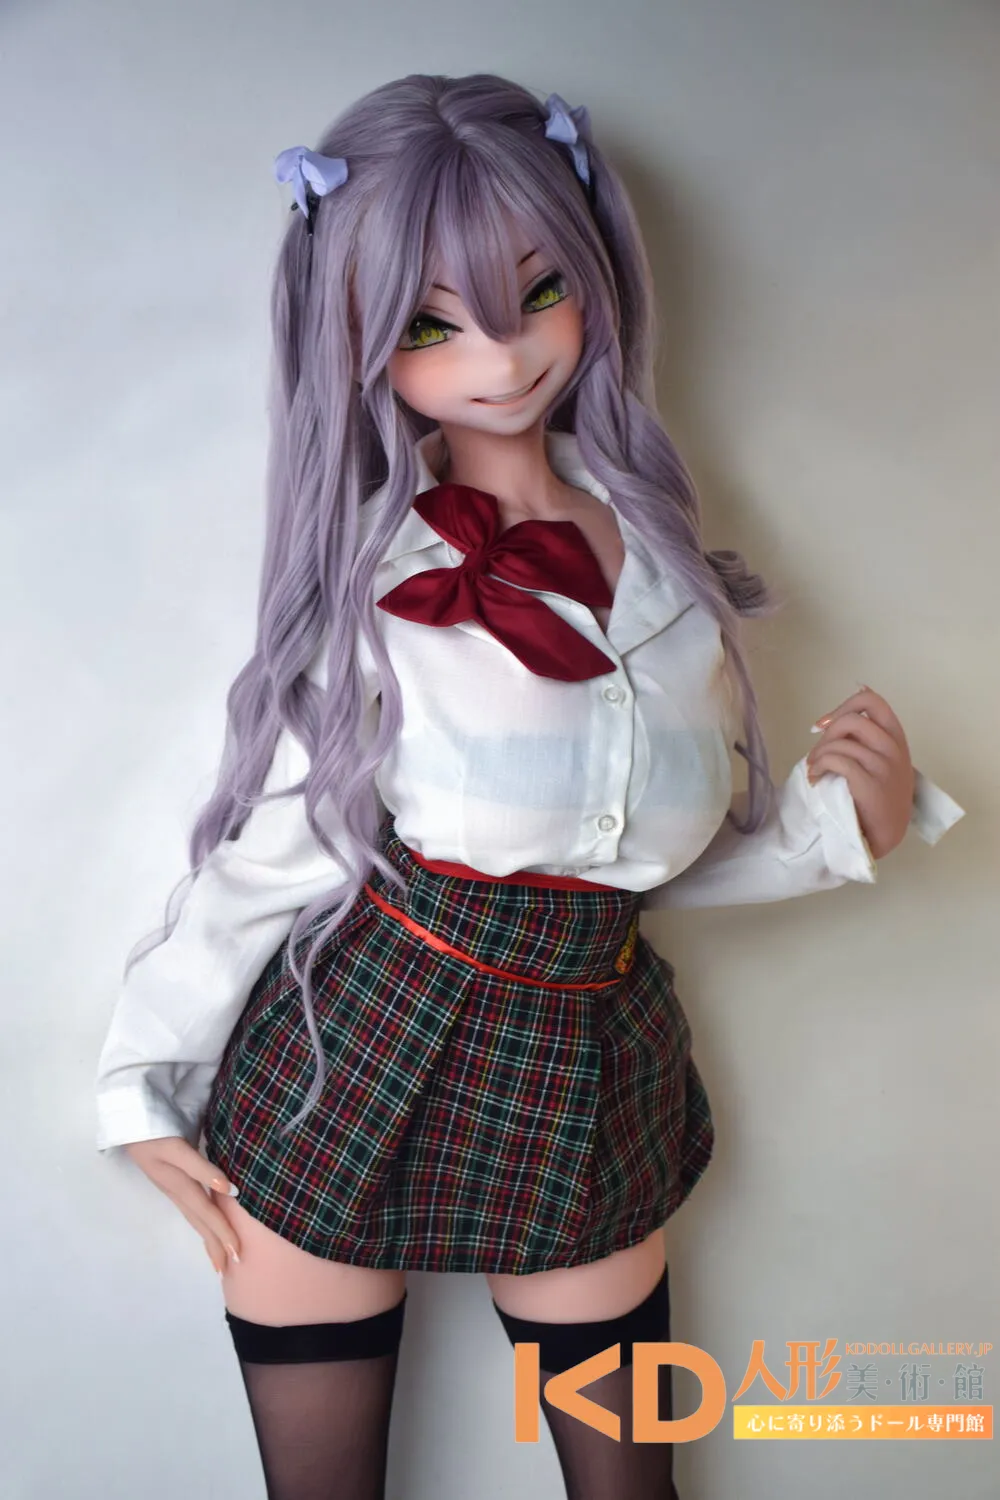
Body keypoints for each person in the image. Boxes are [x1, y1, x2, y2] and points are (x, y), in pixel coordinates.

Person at [94, 72, 964, 1500]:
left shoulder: (664, 558)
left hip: (590, 1052)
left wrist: (836, 832)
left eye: (538, 294)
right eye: (431, 325)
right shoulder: (375, 586)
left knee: (631, 1485)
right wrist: (146, 1083)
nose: (500, 359)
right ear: (356, 340)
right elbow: (278, 851)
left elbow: (645, 853)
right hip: (361, 1044)